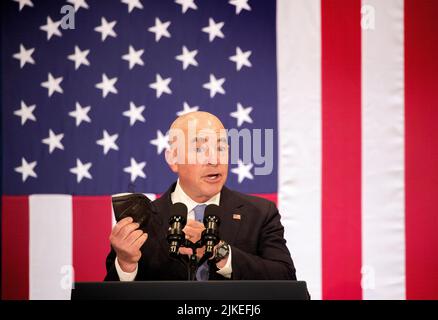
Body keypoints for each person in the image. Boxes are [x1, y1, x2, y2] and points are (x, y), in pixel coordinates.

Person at [104, 111, 296, 281]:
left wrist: (220, 252)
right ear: (173, 159)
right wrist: (126, 265)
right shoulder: (142, 220)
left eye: (220, 148)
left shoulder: (260, 213)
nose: (214, 160)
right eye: (199, 149)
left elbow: (285, 277)